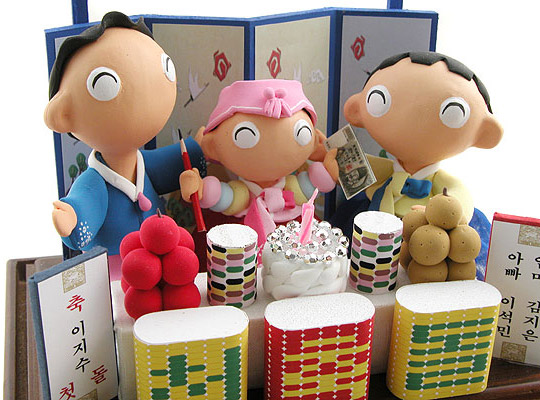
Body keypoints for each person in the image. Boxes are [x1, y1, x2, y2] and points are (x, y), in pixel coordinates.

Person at [44, 12, 206, 275]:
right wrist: (73, 217)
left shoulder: (145, 163)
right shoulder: (94, 182)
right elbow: (85, 204)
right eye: (105, 84)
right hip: (118, 265)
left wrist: (196, 158)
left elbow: (177, 164)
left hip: (163, 250)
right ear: (64, 114)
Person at [331, 51, 503, 278]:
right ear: (357, 110)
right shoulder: (382, 170)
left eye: (452, 112)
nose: (410, 116)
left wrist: (440, 216)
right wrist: (332, 159)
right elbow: (345, 165)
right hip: (372, 236)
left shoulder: (445, 183)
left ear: (485, 132)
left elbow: (459, 203)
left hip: (427, 240)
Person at [179, 79, 338, 245]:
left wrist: (327, 174)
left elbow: (310, 186)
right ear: (212, 147)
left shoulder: (293, 187)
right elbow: (225, 197)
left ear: (315, 141)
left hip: (295, 231)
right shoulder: (240, 194)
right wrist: (202, 190)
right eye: (245, 136)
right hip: (240, 233)